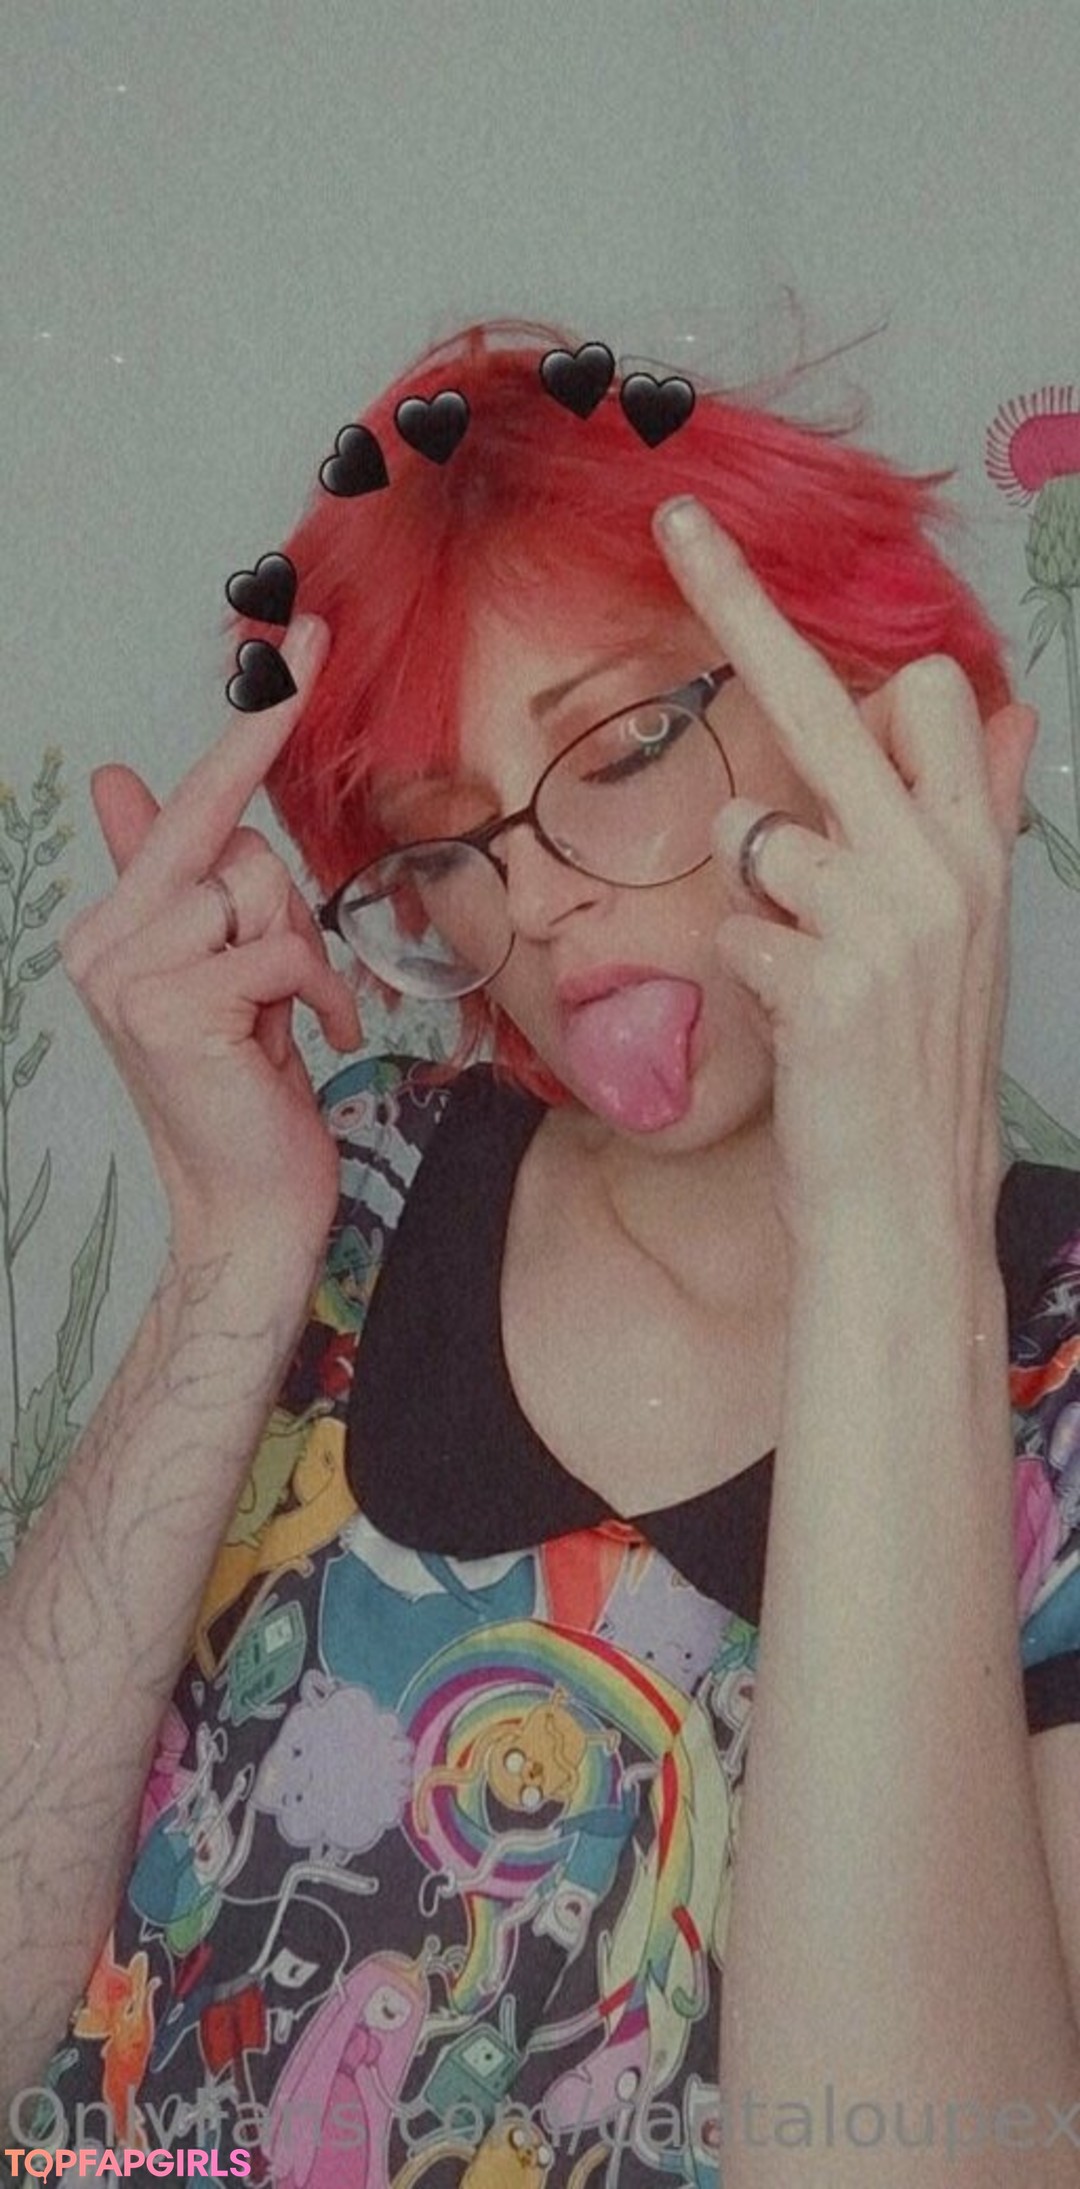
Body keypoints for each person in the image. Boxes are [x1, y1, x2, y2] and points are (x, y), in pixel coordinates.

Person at [3, 316, 1080, 2188]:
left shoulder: (1051, 1368)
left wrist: (897, 1224)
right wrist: (231, 1252)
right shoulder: (353, 1181)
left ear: (860, 694)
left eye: (627, 743)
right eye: (447, 844)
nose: (548, 903)